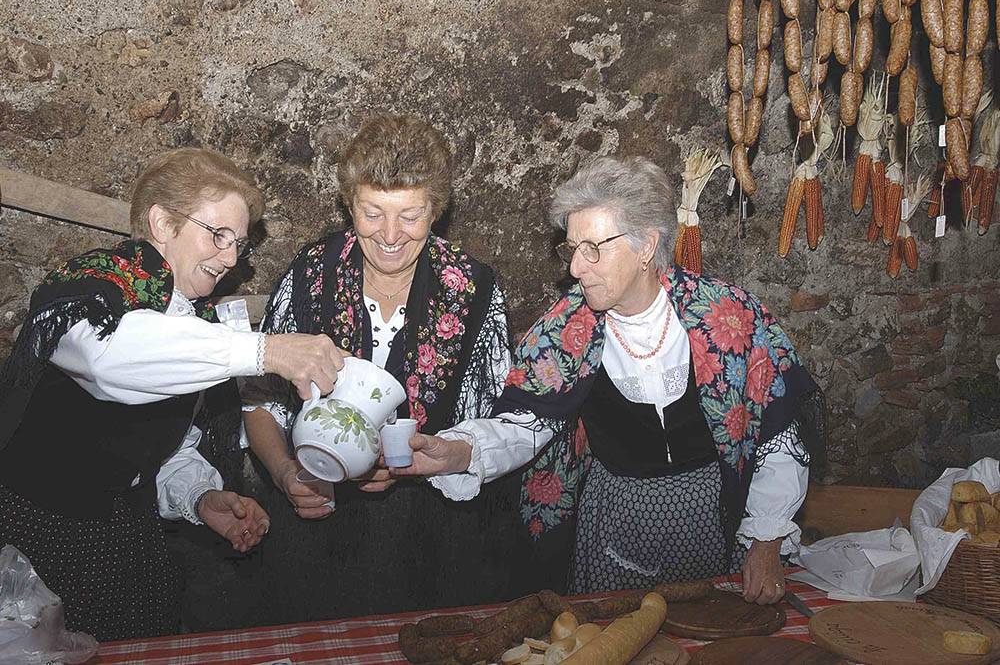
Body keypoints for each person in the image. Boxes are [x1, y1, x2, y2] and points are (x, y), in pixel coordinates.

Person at [396, 155, 824, 604]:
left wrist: (767, 540)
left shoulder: (728, 318)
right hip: (613, 528)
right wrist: (460, 452)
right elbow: (523, 427)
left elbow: (777, 435)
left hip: (713, 528)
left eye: (593, 248)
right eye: (572, 249)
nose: (577, 268)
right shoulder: (566, 331)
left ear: (645, 247)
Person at [0, 148, 345, 641]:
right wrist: (267, 351)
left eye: (238, 244)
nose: (230, 258)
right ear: (162, 222)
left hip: (126, 538)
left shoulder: (191, 322)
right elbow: (109, 361)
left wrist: (200, 496)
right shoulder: (92, 285)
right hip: (39, 538)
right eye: (218, 235)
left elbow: (163, 446)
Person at [242, 113, 516, 622]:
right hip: (316, 523)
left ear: (436, 210)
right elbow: (260, 399)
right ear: (350, 206)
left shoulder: (474, 290)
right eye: (373, 213)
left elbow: (496, 419)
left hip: (430, 535)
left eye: (410, 215)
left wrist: (430, 457)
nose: (390, 234)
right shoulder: (311, 274)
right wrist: (284, 473)